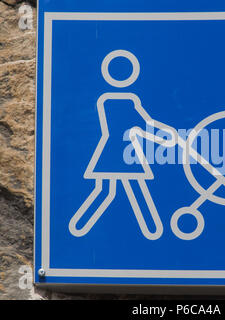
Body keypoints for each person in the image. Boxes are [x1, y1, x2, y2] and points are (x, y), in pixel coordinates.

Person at [69, 50, 177, 240]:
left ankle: (78, 227)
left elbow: (140, 125)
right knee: (136, 189)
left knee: (106, 191)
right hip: (125, 151)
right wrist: (166, 137)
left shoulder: (105, 100)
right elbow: (144, 125)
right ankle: (153, 231)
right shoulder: (128, 102)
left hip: (109, 149)